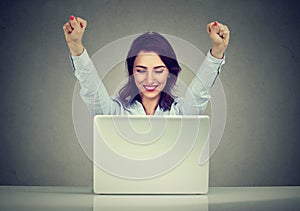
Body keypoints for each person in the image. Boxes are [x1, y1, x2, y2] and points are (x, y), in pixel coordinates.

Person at [63, 15, 230, 115]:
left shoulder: (180, 113)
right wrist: (76, 46)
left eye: (158, 70)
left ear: (169, 73)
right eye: (141, 70)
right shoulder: (114, 112)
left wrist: (217, 50)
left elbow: (200, 92)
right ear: (132, 73)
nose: (150, 79)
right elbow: (92, 91)